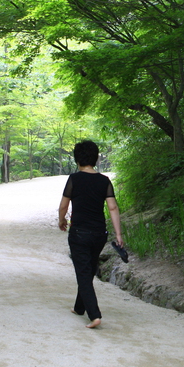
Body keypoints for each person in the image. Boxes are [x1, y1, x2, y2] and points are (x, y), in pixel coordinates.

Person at [58, 140, 124, 329]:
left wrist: (61, 221)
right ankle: (79, 307)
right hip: (98, 234)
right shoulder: (104, 181)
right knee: (88, 269)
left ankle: (94, 314)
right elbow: (112, 207)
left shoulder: (74, 179)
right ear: (95, 159)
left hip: (79, 233)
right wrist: (118, 234)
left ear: (77, 159)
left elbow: (63, 205)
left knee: (83, 272)